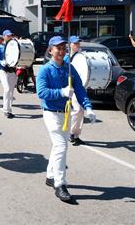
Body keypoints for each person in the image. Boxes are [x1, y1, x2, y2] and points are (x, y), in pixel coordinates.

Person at [36, 36, 96, 203]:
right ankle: (60, 184)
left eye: (63, 48)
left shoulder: (70, 69)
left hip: (66, 113)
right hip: (51, 113)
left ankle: (50, 175)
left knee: (58, 145)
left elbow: (79, 89)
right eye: (58, 48)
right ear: (50, 50)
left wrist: (88, 107)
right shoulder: (45, 70)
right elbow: (41, 93)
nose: (61, 51)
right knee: (62, 146)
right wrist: (61, 92)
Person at [64, 36, 86, 146]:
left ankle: (76, 135)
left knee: (81, 111)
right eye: (75, 43)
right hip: (71, 87)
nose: (77, 45)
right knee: (77, 110)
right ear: (70, 45)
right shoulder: (67, 58)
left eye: (78, 43)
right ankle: (71, 133)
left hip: (80, 87)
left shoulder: (82, 56)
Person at [0, 30, 17, 119]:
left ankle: (9, 110)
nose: (9, 37)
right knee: (7, 90)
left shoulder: (14, 46)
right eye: (8, 36)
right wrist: (1, 62)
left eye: (10, 35)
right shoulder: (0, 47)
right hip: (3, 70)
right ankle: (6, 110)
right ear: (4, 36)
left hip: (12, 71)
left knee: (11, 92)